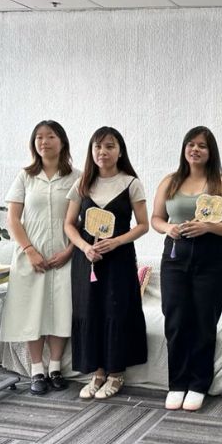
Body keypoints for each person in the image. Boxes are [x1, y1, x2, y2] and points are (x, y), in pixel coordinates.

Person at [151, 126, 222, 412]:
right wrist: (168, 228)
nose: (195, 149)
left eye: (202, 145)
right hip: (175, 258)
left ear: (210, 151)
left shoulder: (221, 183)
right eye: (191, 144)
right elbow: (156, 218)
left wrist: (208, 227)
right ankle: (177, 383)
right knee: (176, 320)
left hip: (211, 259)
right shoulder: (170, 181)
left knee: (204, 321)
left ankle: (199, 384)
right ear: (184, 149)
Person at [64, 127, 149, 400]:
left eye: (110, 146)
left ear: (120, 151)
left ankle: (116, 374)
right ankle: (97, 373)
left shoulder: (131, 183)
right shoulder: (82, 184)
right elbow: (69, 225)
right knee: (90, 311)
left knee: (116, 312)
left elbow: (143, 225)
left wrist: (116, 242)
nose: (103, 152)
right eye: (98, 146)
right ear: (91, 151)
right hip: (87, 260)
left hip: (119, 260)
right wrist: (85, 247)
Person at [1, 120, 80, 395]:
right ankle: (37, 370)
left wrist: (70, 251)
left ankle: (55, 367)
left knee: (61, 310)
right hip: (29, 257)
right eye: (39, 137)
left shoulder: (77, 177)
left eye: (50, 136)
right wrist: (30, 251)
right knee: (32, 311)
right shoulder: (25, 176)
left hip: (64, 255)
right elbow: (13, 219)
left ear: (62, 141)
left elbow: (82, 221)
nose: (44, 142)